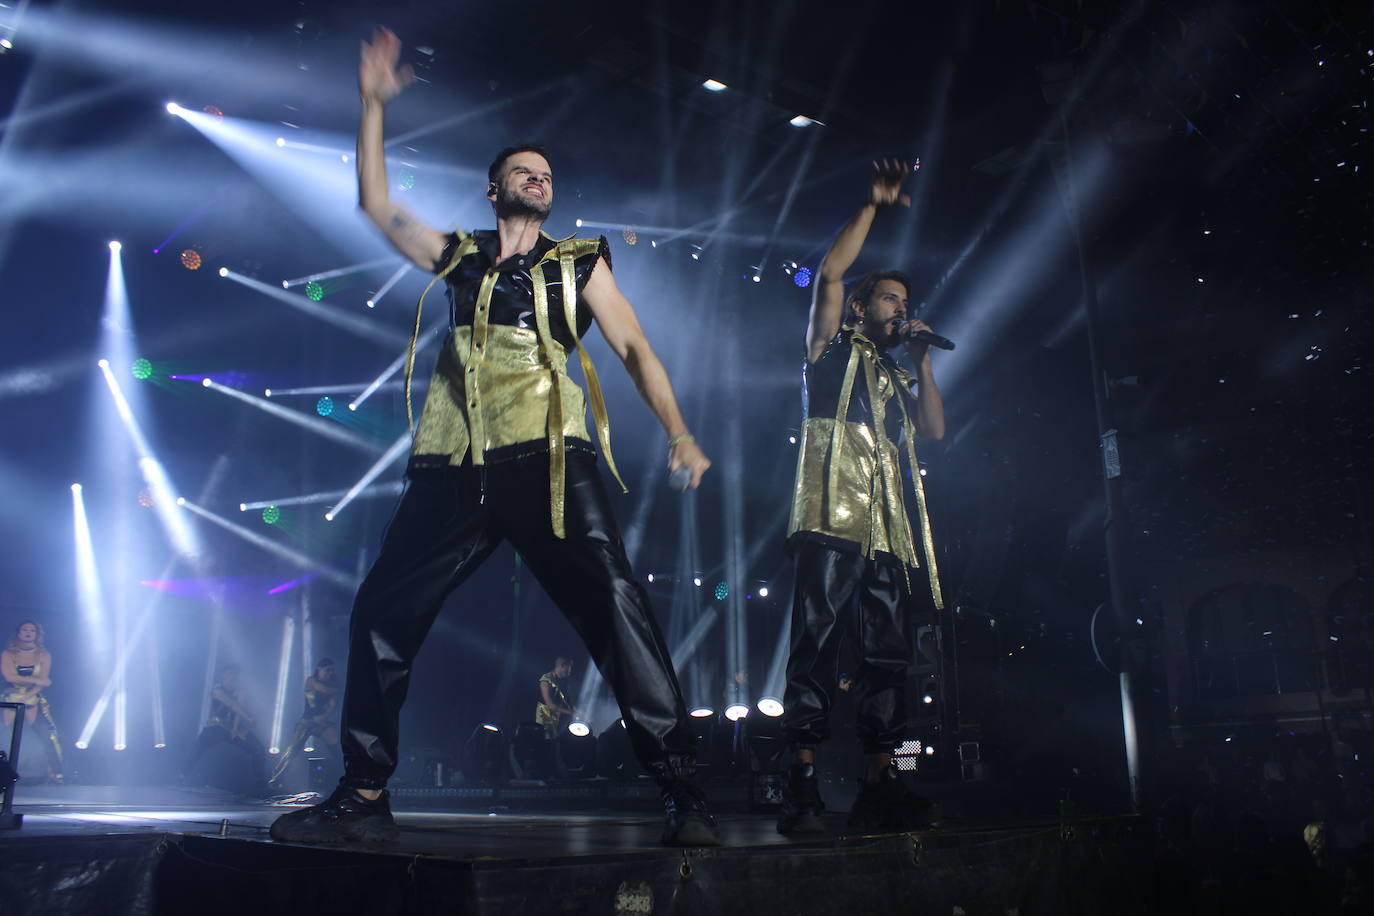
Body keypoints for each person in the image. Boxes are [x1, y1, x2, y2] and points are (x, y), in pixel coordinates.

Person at [271, 28, 717, 848]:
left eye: (547, 174)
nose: (539, 179)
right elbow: (376, 205)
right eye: (524, 170)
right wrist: (372, 105)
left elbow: (634, 348)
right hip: (458, 465)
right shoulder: (459, 257)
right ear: (493, 189)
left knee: (616, 607)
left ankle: (684, 791)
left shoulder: (579, 263)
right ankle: (366, 790)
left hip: (550, 458)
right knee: (381, 610)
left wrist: (679, 433)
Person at [776, 160, 946, 835]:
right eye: (889, 300)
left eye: (906, 303)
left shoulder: (898, 376)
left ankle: (882, 781)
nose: (900, 309)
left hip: (887, 530)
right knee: (816, 644)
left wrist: (923, 358)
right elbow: (829, 275)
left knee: (887, 654)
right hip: (830, 516)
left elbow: (934, 430)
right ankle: (801, 779)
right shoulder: (829, 347)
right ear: (860, 309)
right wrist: (873, 207)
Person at [185, 663, 267, 792]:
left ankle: (261, 783)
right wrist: (248, 718)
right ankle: (182, 776)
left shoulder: (239, 691)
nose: (232, 677)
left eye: (234, 674)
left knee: (258, 749)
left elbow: (238, 709)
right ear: (224, 675)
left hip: (234, 727)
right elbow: (232, 705)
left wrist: (235, 728)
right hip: (217, 726)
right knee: (199, 746)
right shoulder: (217, 690)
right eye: (229, 674)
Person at [0, 621, 64, 781]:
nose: (28, 633)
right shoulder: (8, 654)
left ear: (37, 634)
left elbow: (43, 682)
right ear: (19, 633)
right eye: (25, 630)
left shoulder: (44, 655)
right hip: (10, 698)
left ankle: (57, 773)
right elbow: (9, 677)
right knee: (5, 734)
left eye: (32, 630)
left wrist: (29, 693)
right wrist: (36, 680)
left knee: (46, 734)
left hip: (32, 698)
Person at [268, 658, 341, 789]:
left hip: (320, 722)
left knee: (337, 746)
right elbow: (323, 689)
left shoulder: (333, 685)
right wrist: (338, 689)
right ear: (319, 669)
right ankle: (275, 778)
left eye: (332, 670)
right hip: (306, 721)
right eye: (327, 670)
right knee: (293, 750)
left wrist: (323, 717)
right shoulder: (311, 680)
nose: (330, 673)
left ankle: (343, 775)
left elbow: (333, 705)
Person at [535, 657, 576, 739]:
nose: (570, 671)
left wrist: (575, 710)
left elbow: (566, 701)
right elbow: (550, 705)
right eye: (569, 668)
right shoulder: (546, 680)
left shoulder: (563, 681)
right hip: (544, 722)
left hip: (556, 721)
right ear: (562, 666)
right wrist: (571, 712)